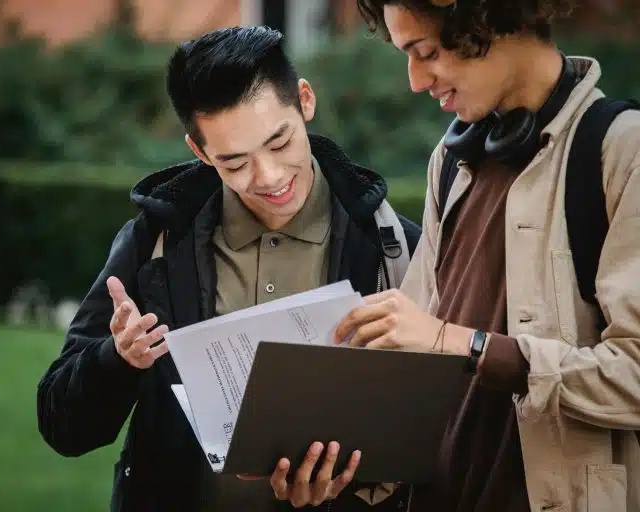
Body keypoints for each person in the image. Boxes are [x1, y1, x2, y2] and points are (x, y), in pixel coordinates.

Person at [36, 26, 422, 511]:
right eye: (235, 163)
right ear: (200, 153)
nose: (269, 178)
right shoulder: (155, 242)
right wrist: (116, 359)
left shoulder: (397, 249)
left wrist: (351, 486)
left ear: (305, 101)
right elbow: (63, 428)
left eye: (280, 143)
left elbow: (437, 436)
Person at [330, 1, 640, 511]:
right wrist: (340, 467)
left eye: (426, 52)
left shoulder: (619, 151)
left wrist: (467, 346)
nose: (414, 80)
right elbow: (413, 365)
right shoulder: (449, 163)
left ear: (490, 20)